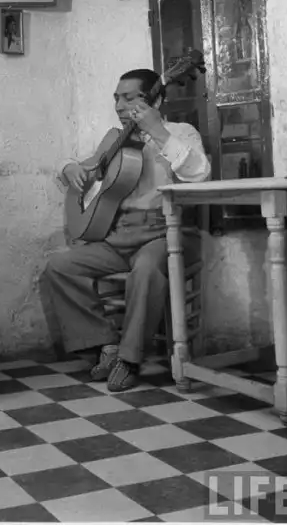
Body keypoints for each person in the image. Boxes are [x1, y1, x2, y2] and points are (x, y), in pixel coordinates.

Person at [41, 69, 210, 392]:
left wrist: (157, 131)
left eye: (129, 98)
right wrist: (69, 167)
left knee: (145, 269)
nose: (119, 105)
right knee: (59, 266)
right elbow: (78, 169)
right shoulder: (116, 141)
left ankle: (130, 359)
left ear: (156, 100)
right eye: (117, 98)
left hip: (167, 234)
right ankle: (105, 344)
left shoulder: (180, 133)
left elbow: (199, 173)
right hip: (119, 237)